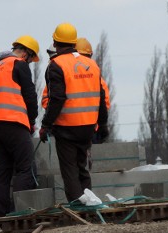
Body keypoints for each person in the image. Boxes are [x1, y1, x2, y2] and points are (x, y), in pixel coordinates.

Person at [39, 23, 109, 203]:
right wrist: (103, 124)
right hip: (88, 127)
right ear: (74, 42)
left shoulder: (56, 65)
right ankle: (90, 203)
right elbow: (101, 97)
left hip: (66, 127)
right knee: (82, 168)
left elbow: (57, 99)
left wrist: (46, 125)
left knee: (69, 170)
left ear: (55, 42)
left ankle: (78, 206)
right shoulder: (91, 64)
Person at [0, 35, 40, 217]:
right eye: (30, 59)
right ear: (26, 54)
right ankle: (20, 213)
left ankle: (3, 216)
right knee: (25, 168)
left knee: (1, 173)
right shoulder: (18, 64)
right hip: (13, 122)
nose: (29, 63)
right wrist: (31, 121)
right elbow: (30, 96)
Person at [75, 37, 111, 143]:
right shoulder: (99, 79)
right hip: (92, 129)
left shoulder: (68, 77)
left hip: (72, 128)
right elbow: (105, 105)